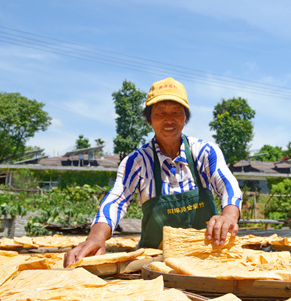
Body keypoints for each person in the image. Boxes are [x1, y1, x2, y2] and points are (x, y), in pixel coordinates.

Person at [64, 77, 242, 266]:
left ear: (185, 118)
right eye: (160, 113)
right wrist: (96, 237)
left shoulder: (205, 152)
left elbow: (228, 186)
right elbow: (116, 200)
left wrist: (228, 216)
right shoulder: (136, 162)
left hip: (208, 258)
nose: (169, 119)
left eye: (176, 112)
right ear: (149, 119)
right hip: (155, 263)